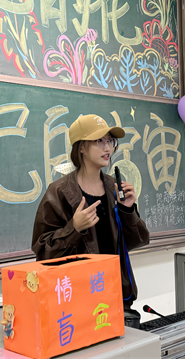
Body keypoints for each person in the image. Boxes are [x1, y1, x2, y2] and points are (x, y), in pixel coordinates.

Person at [31, 114, 150, 315]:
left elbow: (138, 240)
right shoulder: (59, 192)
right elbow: (42, 251)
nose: (107, 148)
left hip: (115, 294)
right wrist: (74, 229)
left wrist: (128, 210)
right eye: (99, 141)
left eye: (110, 141)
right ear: (81, 147)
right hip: (77, 300)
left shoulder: (114, 187)